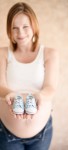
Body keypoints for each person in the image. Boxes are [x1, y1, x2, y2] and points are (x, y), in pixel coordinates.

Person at [0, 2, 59, 150]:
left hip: (42, 133)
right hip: (7, 134)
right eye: (15, 28)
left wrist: (39, 96)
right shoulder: (2, 53)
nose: (20, 33)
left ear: (34, 27)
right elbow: (0, 86)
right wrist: (12, 95)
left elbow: (50, 88)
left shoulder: (50, 53)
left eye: (25, 27)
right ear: (9, 30)